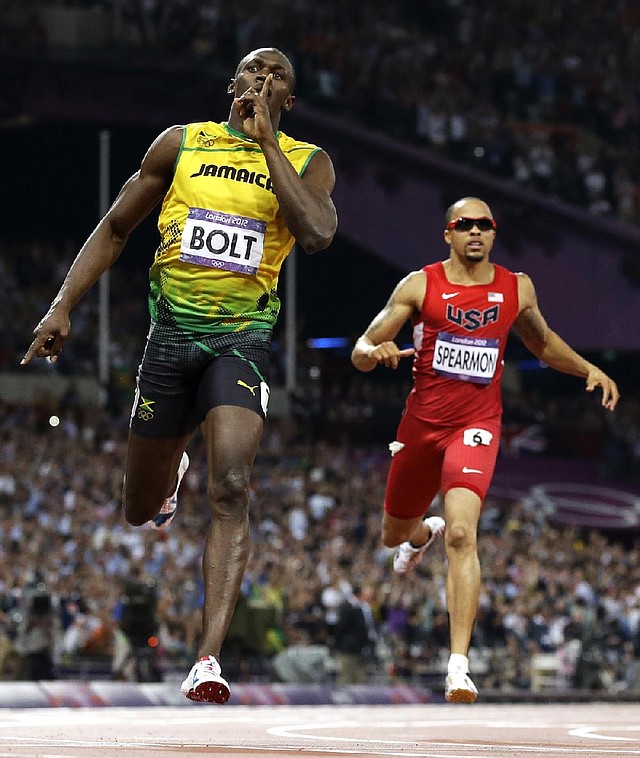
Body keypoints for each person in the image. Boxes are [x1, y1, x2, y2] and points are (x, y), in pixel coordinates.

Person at [21, 47, 337, 703]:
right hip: (169, 339)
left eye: (279, 75)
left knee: (232, 487)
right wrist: (61, 307)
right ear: (232, 84)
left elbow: (315, 233)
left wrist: (269, 144)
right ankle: (169, 480)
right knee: (139, 510)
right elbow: (114, 227)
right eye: (255, 68)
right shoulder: (182, 143)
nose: (265, 78)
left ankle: (206, 658)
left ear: (288, 102)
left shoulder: (307, 161)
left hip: (241, 340)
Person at [350, 196, 619, 703]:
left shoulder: (516, 288)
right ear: (447, 234)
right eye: (464, 225)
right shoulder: (419, 284)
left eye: (485, 225)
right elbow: (361, 349)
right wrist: (374, 352)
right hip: (421, 426)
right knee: (392, 535)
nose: (476, 232)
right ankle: (419, 532)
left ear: (493, 234)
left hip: (476, 425)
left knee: (462, 534)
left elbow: (543, 344)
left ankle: (458, 666)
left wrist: (588, 369)